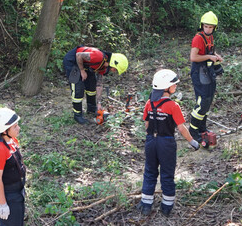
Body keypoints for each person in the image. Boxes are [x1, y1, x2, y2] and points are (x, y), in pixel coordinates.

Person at [137, 69, 200, 217]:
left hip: (151, 141)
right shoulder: (173, 106)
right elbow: (181, 127)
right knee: (167, 173)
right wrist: (192, 142)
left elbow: (146, 124)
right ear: (166, 87)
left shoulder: (149, 103)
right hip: (166, 143)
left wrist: (151, 136)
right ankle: (166, 207)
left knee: (150, 172)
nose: (176, 86)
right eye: (174, 84)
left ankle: (146, 204)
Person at [62, 46, 128, 124]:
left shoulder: (103, 67)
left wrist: (99, 103)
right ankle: (77, 115)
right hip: (72, 61)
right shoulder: (98, 56)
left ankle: (91, 108)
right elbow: (79, 55)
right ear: (113, 63)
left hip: (86, 65)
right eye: (115, 69)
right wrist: (82, 70)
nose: (114, 71)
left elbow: (99, 84)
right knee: (78, 89)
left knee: (91, 86)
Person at [189, 11, 224, 147]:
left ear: (214, 28)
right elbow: (193, 57)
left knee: (208, 100)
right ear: (202, 25)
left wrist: (217, 56)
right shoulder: (198, 38)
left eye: (211, 27)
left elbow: (210, 52)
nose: (208, 29)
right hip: (198, 71)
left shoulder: (210, 37)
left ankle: (202, 129)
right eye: (206, 26)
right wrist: (209, 57)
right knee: (202, 101)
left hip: (207, 70)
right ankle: (193, 130)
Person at [0, 107, 26, 226]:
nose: (18, 128)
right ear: (4, 130)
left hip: (17, 191)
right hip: (8, 194)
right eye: (15, 127)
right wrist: (3, 204)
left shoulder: (10, 140)